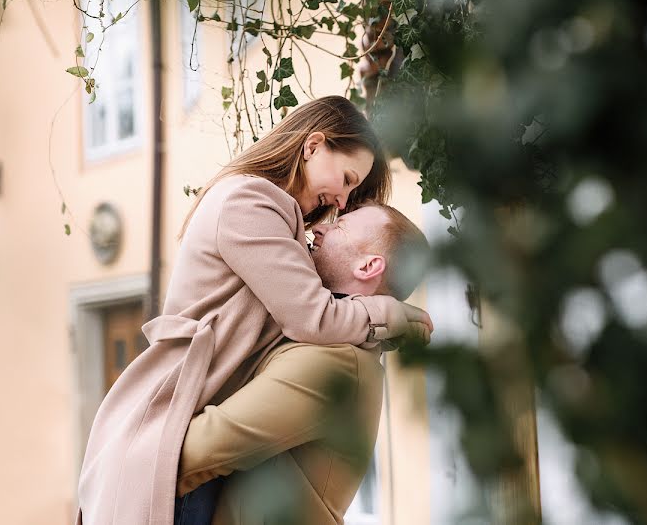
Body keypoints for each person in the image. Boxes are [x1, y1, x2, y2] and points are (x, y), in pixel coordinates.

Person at [76, 96, 433, 525]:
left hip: (181, 432)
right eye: (346, 179)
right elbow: (312, 317)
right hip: (172, 423)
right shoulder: (252, 203)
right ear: (313, 145)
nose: (341, 200)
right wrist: (386, 314)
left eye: (351, 194)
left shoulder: (281, 221)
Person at [174, 203, 431, 525]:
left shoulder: (335, 361)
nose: (319, 228)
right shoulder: (329, 345)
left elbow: (193, 454)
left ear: (368, 267)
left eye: (340, 226)